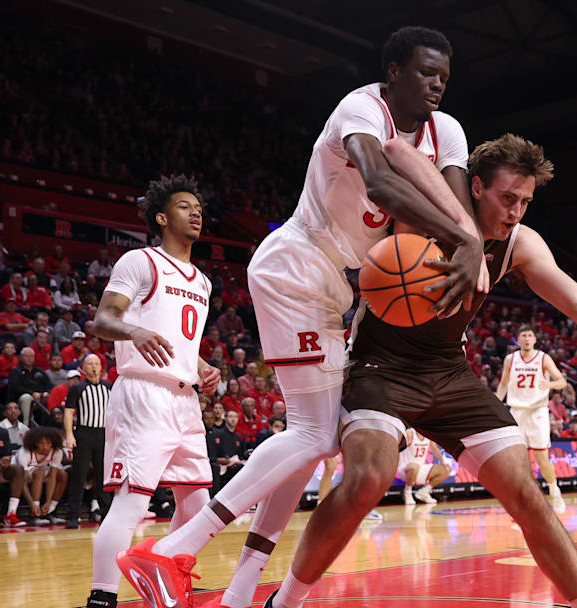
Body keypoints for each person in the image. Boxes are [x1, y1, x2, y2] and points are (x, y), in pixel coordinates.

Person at [244, 133, 577, 608]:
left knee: (526, 492)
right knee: (367, 478)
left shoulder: (518, 244)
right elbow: (399, 158)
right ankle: (287, 601)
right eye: (507, 198)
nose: (516, 211)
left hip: (448, 371)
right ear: (474, 187)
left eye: (524, 201)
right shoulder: (419, 215)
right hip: (381, 366)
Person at [118, 26, 487, 608]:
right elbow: (385, 184)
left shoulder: (449, 133)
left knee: (311, 438)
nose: (437, 83)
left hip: (337, 287)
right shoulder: (360, 107)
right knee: (316, 435)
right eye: (424, 72)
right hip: (297, 265)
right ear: (394, 72)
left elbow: (459, 208)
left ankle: (240, 590)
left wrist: (469, 245)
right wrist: (458, 241)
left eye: (444, 75)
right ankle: (169, 552)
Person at [83, 175, 221, 608]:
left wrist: (202, 366)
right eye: (184, 206)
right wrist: (134, 331)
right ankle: (102, 595)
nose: (195, 213)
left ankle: (165, 568)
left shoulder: (202, 280)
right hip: (142, 393)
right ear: (162, 217)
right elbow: (103, 321)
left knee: (199, 505)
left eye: (198, 207)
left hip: (185, 398)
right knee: (132, 503)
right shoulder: (140, 262)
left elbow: (182, 342)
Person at [495, 324, 567, 509]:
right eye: (523, 335)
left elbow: (561, 381)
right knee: (519, 460)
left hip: (537, 412)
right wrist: (495, 404)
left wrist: (549, 385)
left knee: (542, 458)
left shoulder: (543, 358)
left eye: (530, 335)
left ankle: (554, 491)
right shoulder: (510, 359)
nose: (527, 338)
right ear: (518, 340)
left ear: (535, 339)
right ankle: (525, 502)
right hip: (517, 412)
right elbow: (503, 384)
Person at [64, 355, 112, 528]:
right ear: (83, 368)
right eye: (90, 364)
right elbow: (69, 412)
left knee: (103, 476)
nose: (94, 366)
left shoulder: (109, 387)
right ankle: (73, 515)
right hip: (84, 434)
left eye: (97, 363)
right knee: (79, 475)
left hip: (104, 434)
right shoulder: (78, 388)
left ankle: (106, 514)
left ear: (101, 367)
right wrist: (69, 434)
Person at [13, 426, 68, 525]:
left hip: (39, 471)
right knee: (39, 473)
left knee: (62, 475)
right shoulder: (24, 452)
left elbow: (52, 477)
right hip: (19, 475)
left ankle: (51, 510)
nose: (46, 447)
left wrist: (48, 502)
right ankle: (35, 514)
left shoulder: (57, 451)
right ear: (35, 443)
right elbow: (23, 482)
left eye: (48, 443)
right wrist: (32, 504)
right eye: (42, 443)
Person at [396, 429, 449, 505]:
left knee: (445, 470)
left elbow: (434, 448)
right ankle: (407, 493)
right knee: (414, 466)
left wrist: (443, 462)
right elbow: (399, 448)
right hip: (404, 468)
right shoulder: (410, 433)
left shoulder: (428, 434)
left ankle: (424, 492)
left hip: (420, 468)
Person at [8, 347, 52, 424]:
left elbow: (49, 385)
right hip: (20, 398)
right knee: (26, 397)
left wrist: (44, 394)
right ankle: (26, 424)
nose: (29, 358)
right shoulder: (16, 371)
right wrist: (32, 393)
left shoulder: (39, 371)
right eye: (27, 356)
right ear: (21, 357)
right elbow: (16, 387)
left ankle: (50, 425)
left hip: (39, 397)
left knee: (50, 396)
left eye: (31, 356)